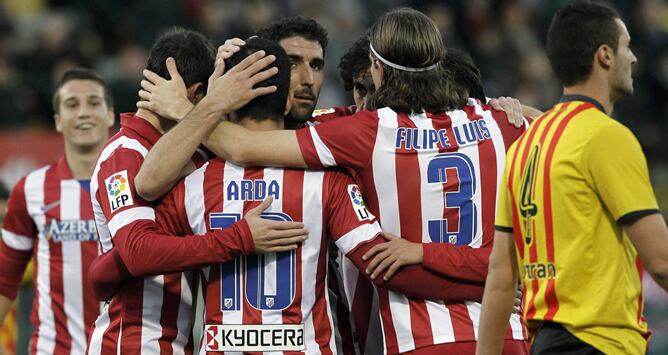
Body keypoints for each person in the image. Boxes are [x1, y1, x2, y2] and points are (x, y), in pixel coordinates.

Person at [137, 8, 531, 354]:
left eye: (316, 64)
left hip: (393, 337)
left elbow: (221, 155)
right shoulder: (349, 143)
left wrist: (193, 109)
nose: (307, 78)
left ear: (377, 72)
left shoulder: (346, 133)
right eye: (292, 62)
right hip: (478, 329)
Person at [85, 28, 307, 355]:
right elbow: (138, 253)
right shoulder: (123, 153)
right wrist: (239, 238)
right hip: (132, 344)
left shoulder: (199, 154)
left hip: (183, 341)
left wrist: (235, 57)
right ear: (197, 94)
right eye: (211, 100)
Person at [477, 2, 668, 354]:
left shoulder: (526, 146)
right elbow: (662, 263)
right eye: (627, 47)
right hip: (603, 342)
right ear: (605, 55)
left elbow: (501, 277)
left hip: (547, 344)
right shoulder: (606, 136)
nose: (634, 58)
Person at [0, 68, 115, 354]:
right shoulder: (30, 190)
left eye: (93, 102)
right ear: (57, 121)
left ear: (111, 115)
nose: (84, 112)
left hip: (122, 347)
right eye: (72, 105)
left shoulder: (141, 185)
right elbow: (4, 280)